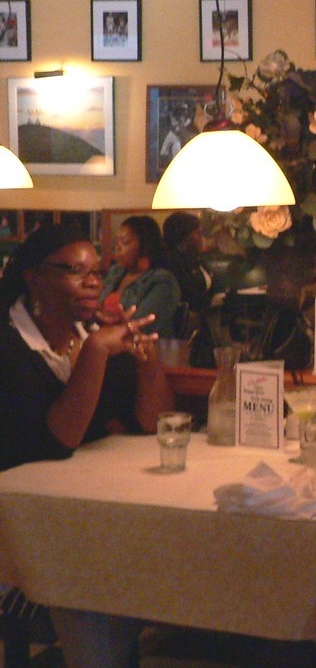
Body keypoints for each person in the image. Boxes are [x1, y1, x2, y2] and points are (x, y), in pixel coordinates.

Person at [0, 224, 174, 668]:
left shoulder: (89, 330)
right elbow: (60, 438)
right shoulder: (10, 346)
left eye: (98, 270)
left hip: (83, 520)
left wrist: (145, 354)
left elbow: (152, 422)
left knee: (155, 575)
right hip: (18, 543)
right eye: (75, 271)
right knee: (99, 592)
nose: (94, 281)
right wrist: (96, 351)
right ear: (34, 277)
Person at [100, 216, 181, 338]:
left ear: (144, 246)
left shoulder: (163, 281)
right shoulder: (116, 272)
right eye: (117, 242)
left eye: (125, 242)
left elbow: (142, 324)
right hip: (105, 339)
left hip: (143, 347)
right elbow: (95, 307)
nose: (117, 248)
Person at [162, 211, 212, 336]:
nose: (200, 235)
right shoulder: (171, 262)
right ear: (183, 236)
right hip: (182, 330)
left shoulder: (196, 258)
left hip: (203, 323)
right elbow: (189, 294)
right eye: (196, 232)